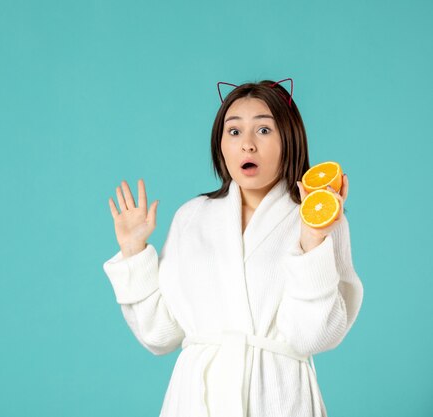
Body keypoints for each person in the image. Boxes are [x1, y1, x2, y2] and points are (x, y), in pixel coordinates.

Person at [102, 78, 364, 417]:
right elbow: (160, 334)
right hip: (197, 400)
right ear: (220, 143)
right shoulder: (192, 217)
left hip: (279, 398)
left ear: (290, 138)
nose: (248, 145)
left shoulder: (319, 216)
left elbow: (311, 337)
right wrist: (134, 251)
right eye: (234, 132)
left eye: (264, 131)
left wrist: (312, 240)